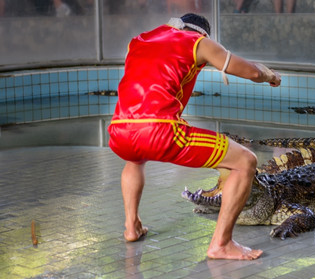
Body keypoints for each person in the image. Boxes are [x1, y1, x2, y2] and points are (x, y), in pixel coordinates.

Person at [108, 13, 280, 260]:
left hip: (120, 130)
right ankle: (221, 244)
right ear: (203, 34)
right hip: (160, 131)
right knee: (245, 162)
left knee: (134, 160)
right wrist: (270, 75)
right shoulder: (197, 41)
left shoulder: (139, 41)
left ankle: (131, 227)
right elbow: (252, 73)